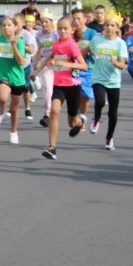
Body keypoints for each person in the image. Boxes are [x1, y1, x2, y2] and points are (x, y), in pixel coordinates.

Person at [34, 16, 88, 161]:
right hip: (59, 85)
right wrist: (37, 71)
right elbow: (50, 57)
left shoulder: (72, 45)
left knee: (72, 121)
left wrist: (68, 65)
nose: (62, 31)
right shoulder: (56, 44)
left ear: (72, 30)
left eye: (65, 28)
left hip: (73, 86)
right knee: (54, 110)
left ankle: (79, 123)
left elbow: (84, 66)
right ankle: (52, 148)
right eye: (60, 28)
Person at [89, 19, 128, 150]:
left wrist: (115, 62)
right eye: (107, 25)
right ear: (103, 27)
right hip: (98, 78)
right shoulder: (96, 39)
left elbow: (122, 65)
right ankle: (96, 118)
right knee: (100, 101)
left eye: (113, 25)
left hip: (113, 81)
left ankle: (109, 138)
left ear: (117, 27)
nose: (109, 28)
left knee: (113, 113)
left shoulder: (120, 43)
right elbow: (86, 50)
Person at [0, 17, 28, 144]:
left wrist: (14, 46)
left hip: (17, 78)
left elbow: (21, 61)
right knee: (3, 98)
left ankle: (14, 132)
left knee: (14, 109)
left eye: (9, 25)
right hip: (3, 75)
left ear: (15, 27)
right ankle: (0, 115)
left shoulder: (19, 42)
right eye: (4, 25)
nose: (6, 28)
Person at [33, 15, 58, 127]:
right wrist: (35, 63)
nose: (44, 24)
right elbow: (40, 50)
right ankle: (47, 114)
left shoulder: (57, 33)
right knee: (47, 88)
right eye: (42, 22)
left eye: (46, 22)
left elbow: (62, 48)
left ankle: (57, 109)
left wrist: (56, 59)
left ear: (51, 22)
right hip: (46, 64)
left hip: (58, 63)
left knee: (58, 89)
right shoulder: (38, 35)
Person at [17, 14, 37, 121]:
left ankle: (27, 108)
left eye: (17, 23)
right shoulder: (9, 34)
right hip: (13, 65)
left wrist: (19, 44)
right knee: (13, 88)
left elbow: (31, 50)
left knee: (25, 89)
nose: (14, 26)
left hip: (25, 65)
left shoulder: (27, 35)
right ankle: (12, 108)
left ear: (22, 24)